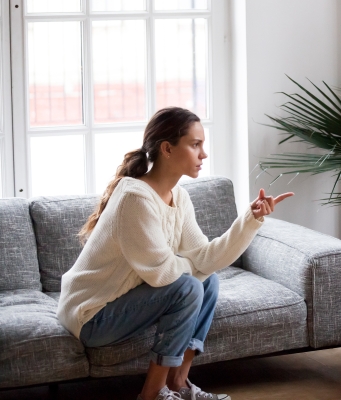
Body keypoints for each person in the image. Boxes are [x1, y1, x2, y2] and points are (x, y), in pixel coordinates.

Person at [57, 107, 293, 400]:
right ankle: (152, 394)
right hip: (91, 315)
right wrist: (193, 265)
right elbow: (162, 273)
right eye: (195, 145)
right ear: (167, 149)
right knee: (189, 286)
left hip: (120, 305)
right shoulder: (135, 198)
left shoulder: (179, 197)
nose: (203, 154)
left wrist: (250, 219)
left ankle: (179, 384)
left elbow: (206, 259)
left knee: (208, 281)